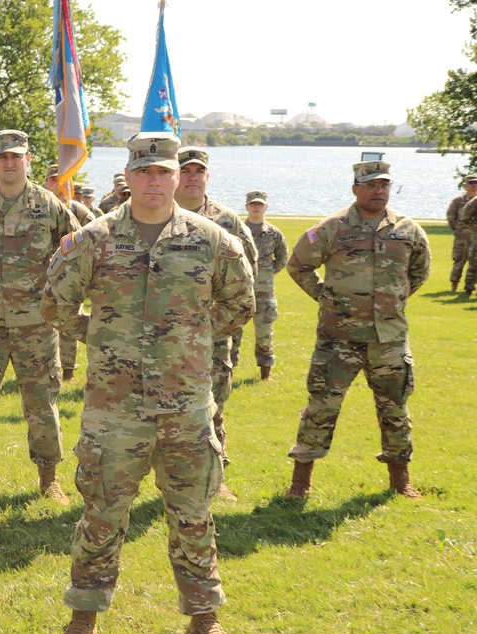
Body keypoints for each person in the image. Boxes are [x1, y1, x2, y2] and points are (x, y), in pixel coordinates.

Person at [42, 132, 253, 634]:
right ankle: (83, 618)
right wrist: (101, 334)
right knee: (102, 514)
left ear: (179, 177)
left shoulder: (211, 239)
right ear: (129, 177)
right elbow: (55, 304)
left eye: (164, 172)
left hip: (185, 405)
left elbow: (240, 303)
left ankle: (205, 618)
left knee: (193, 515)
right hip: (114, 410)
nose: (154, 182)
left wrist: (191, 339)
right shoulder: (94, 238)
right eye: (144, 172)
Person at [0, 129, 80, 501]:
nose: (9, 162)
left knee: (42, 404)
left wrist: (60, 299)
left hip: (35, 325)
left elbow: (74, 254)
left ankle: (48, 477)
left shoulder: (49, 205)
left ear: (28, 159)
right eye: (2, 156)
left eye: (16, 156)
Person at [285, 161, 430, 499]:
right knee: (321, 407)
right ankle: (300, 483)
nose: (378, 190)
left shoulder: (408, 230)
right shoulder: (333, 227)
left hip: (389, 341)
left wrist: (391, 302)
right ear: (355, 188)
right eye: (370, 185)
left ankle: (400, 480)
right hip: (339, 340)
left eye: (384, 185)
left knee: (395, 408)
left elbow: (419, 272)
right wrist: (326, 297)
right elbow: (298, 265)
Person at [174, 146, 258, 500]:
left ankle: (216, 477)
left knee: (212, 408)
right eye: (186, 170)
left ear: (207, 177)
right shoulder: (153, 213)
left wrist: (214, 324)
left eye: (199, 171)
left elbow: (247, 271)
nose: (193, 176)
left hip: (208, 336)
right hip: (153, 334)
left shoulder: (226, 221)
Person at [44, 163, 95, 381]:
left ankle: (68, 369)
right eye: (53, 179)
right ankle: (47, 369)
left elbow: (94, 234)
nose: (58, 184)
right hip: (44, 275)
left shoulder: (78, 210)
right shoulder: (41, 206)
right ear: (47, 182)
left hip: (71, 274)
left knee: (69, 323)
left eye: (62, 179)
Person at [232, 191, 288, 379]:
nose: (256, 207)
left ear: (266, 207)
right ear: (247, 207)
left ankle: (265, 373)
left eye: (260, 204)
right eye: (252, 204)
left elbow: (282, 258)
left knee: (264, 333)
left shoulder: (274, 233)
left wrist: (267, 274)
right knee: (233, 332)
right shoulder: (237, 230)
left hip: (264, 291)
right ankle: (227, 371)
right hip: (239, 289)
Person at [446, 174, 477, 292]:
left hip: (475, 236)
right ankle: (454, 285)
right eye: (471, 183)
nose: (474, 185)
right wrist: (459, 228)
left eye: (476, 183)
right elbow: (451, 216)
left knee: (474, 262)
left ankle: (470, 286)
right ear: (466, 185)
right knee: (459, 260)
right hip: (462, 237)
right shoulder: (458, 200)